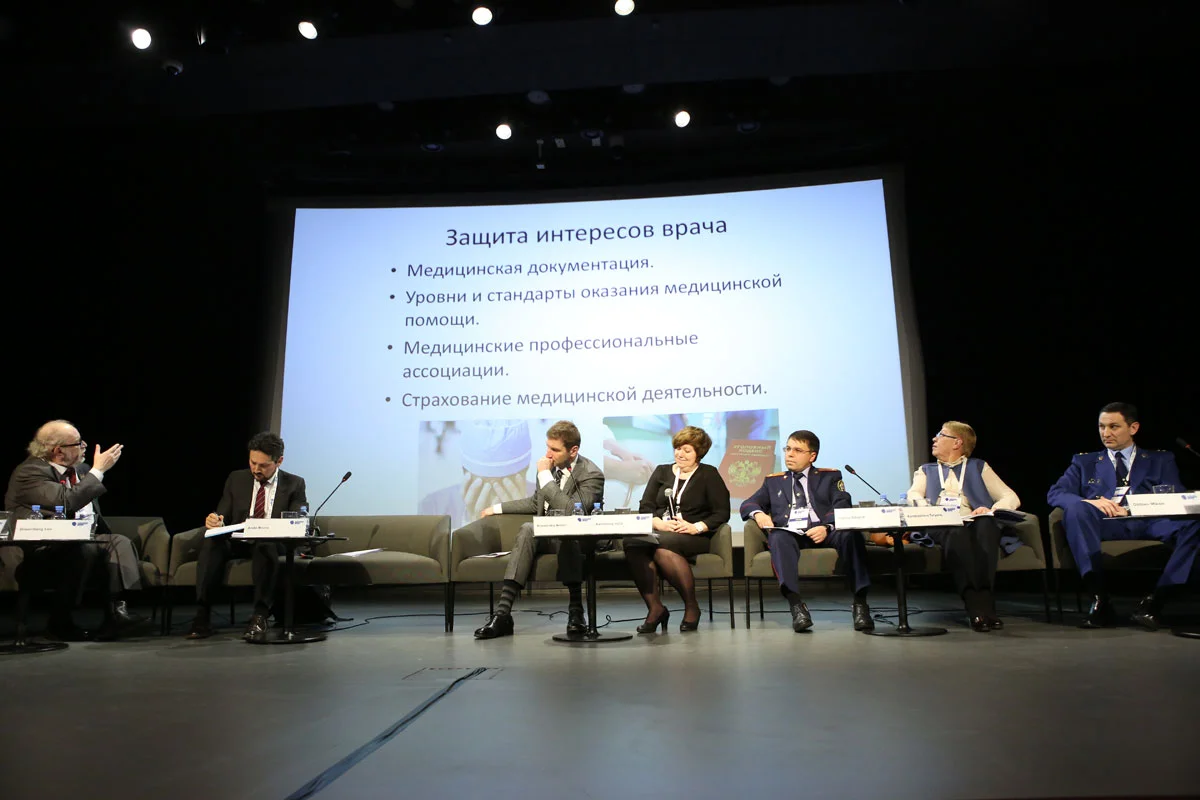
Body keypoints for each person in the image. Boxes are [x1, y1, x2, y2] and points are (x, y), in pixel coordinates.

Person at [1047, 402, 1200, 630]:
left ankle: (1156, 601)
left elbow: (1174, 495)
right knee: (1076, 509)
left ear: (1133, 428)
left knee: (1194, 524)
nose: (1106, 433)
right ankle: (1099, 599)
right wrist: (1089, 502)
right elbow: (1056, 493)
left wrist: (1133, 509)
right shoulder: (1084, 462)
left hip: (1150, 522)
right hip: (1106, 524)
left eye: (1114, 426)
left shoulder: (1160, 460)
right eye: (1101, 427)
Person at [473, 420, 605, 639]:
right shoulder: (548, 468)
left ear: (573, 451)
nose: (548, 454)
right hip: (547, 535)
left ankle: (576, 611)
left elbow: (571, 511)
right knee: (528, 528)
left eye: (555, 449)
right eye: (547, 447)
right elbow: (537, 503)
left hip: (576, 538)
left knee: (567, 534)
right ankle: (503, 614)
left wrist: (544, 476)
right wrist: (496, 508)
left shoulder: (591, 474)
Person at [2, 419, 130, 640]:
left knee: (119, 541)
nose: (84, 446)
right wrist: (99, 471)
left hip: (74, 540)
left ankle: (117, 612)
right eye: (78, 443)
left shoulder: (80, 470)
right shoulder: (30, 472)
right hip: (37, 548)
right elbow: (66, 501)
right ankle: (60, 620)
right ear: (58, 451)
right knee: (83, 549)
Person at [740, 430, 874, 632]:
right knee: (778, 537)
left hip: (825, 530)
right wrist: (758, 513)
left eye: (797, 450)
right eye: (787, 449)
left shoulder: (830, 477)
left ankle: (861, 604)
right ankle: (796, 607)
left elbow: (842, 503)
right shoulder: (774, 481)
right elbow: (748, 503)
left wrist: (826, 526)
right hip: (792, 533)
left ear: (812, 456)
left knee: (851, 535)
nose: (789, 454)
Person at [185, 432, 308, 643]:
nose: (256, 469)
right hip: (238, 540)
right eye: (253, 463)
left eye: (263, 465)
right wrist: (216, 520)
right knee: (212, 543)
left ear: (279, 461)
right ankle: (202, 615)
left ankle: (260, 616)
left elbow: (297, 520)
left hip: (271, 541)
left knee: (265, 545)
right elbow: (223, 514)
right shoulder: (236, 479)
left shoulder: (294, 484)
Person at [905, 421, 1020, 632]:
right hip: (942, 523)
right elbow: (913, 495)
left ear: (957, 442)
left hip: (974, 520)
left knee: (987, 525)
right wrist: (929, 509)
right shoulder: (926, 470)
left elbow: (1010, 496)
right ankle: (976, 606)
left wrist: (990, 510)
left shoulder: (978, 467)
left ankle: (985, 601)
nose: (934, 438)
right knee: (956, 531)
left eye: (941, 435)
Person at [626, 426, 730, 633]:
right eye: (678, 448)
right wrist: (657, 523)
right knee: (633, 543)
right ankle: (655, 608)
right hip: (661, 531)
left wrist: (696, 527)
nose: (680, 454)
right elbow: (646, 505)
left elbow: (722, 512)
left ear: (699, 453)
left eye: (687, 450)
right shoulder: (662, 471)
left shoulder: (708, 474)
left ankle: (691, 606)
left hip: (693, 535)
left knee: (663, 546)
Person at [419, 420, 537, 530]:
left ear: (525, 471)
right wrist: (472, 531)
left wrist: (518, 527)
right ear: (465, 472)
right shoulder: (433, 507)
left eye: (503, 484)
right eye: (484, 485)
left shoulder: (543, 504)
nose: (494, 503)